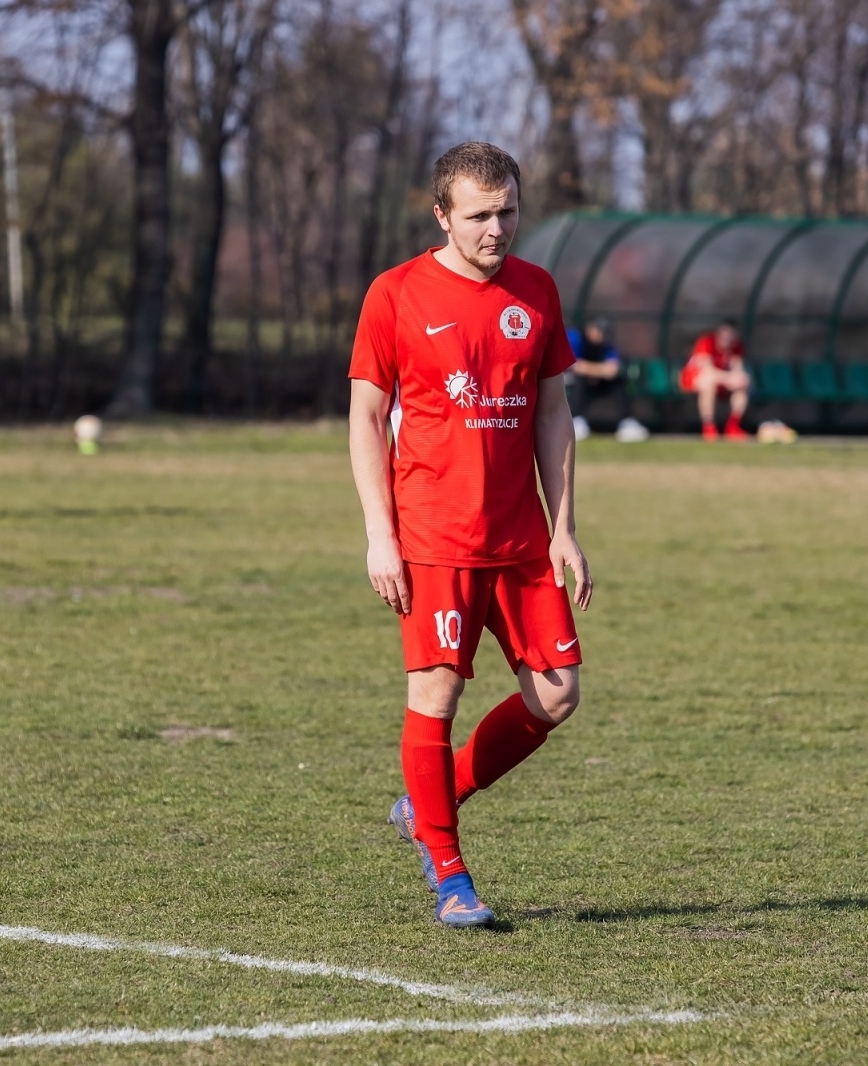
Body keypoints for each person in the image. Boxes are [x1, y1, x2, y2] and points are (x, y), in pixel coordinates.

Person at [348, 142, 592, 928]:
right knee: (437, 694)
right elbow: (364, 419)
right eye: (480, 215)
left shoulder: (538, 291)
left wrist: (566, 529)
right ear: (442, 215)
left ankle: (433, 798)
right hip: (432, 536)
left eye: (509, 211)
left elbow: (554, 414)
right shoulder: (395, 295)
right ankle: (451, 879)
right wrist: (379, 536)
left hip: (521, 538)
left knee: (557, 697)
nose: (497, 229)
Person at [565, 317, 649, 443]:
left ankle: (628, 422)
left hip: (597, 381)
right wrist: (598, 370)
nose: (601, 336)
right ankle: (576, 421)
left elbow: (613, 369)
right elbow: (574, 366)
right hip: (568, 381)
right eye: (599, 331)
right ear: (591, 328)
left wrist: (593, 370)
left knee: (618, 381)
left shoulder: (606, 344)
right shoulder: (574, 337)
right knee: (580, 379)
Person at [681, 320, 751, 440]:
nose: (728, 337)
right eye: (725, 333)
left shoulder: (736, 346)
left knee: (742, 382)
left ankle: (733, 426)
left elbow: (737, 368)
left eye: (731, 334)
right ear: (719, 332)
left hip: (721, 381)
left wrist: (738, 378)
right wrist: (729, 378)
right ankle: (709, 427)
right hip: (693, 378)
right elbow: (707, 370)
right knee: (708, 382)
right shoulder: (707, 341)